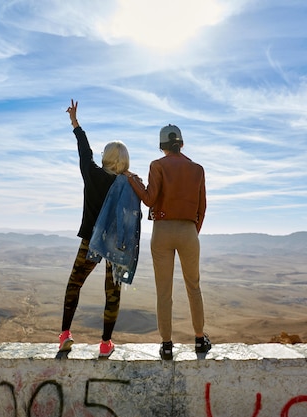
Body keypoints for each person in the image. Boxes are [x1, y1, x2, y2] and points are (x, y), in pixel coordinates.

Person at [127, 124, 210, 360]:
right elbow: (202, 206)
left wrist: (133, 180)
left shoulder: (158, 165)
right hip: (188, 231)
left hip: (162, 231)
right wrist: (193, 230)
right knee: (193, 286)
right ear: (181, 143)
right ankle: (200, 339)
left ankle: (166, 345)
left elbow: (149, 199)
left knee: (164, 292)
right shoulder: (197, 169)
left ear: (162, 145)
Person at [59, 99, 131, 358]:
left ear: (106, 157)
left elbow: (84, 152)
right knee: (112, 292)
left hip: (91, 239)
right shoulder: (127, 183)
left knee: (74, 284)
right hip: (116, 244)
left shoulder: (92, 174)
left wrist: (76, 124)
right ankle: (105, 343)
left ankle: (65, 335)